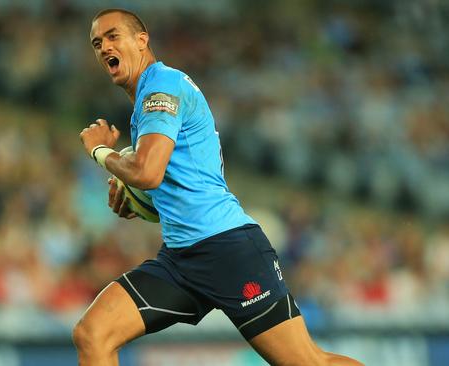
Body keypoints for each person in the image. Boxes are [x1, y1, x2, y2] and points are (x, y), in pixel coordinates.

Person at [76, 8, 363, 366]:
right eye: (97, 43)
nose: (104, 47)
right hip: (181, 259)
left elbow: (148, 171)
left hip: (228, 250)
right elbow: (167, 180)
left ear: (142, 40)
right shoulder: (149, 101)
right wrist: (135, 199)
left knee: (307, 363)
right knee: (93, 333)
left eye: (113, 36)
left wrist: (101, 151)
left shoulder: (161, 87)